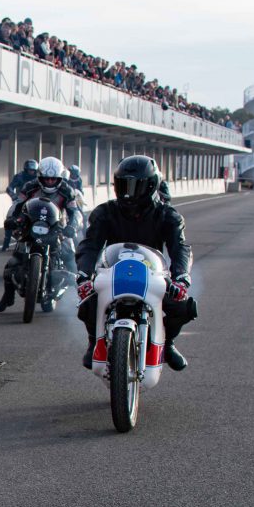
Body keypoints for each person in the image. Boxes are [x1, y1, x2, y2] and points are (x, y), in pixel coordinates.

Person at [74, 155, 195, 371]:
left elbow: (180, 248)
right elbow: (90, 246)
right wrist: (84, 275)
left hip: (153, 274)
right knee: (87, 302)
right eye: (123, 184)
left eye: (133, 185)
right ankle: (94, 341)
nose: (127, 191)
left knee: (183, 306)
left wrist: (181, 277)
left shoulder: (167, 215)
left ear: (150, 185)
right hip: (113, 272)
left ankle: (168, 344)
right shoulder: (105, 212)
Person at [0, 157, 80, 311]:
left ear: (59, 178)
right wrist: (11, 220)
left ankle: (80, 300)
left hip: (57, 228)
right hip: (32, 226)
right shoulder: (29, 186)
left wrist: (72, 226)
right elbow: (17, 205)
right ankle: (7, 297)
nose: (49, 182)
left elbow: (75, 212)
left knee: (71, 257)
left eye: (53, 179)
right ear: (40, 176)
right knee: (12, 263)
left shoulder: (67, 190)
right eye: (46, 178)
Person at [2, 159, 38, 251]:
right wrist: (14, 196)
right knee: (10, 216)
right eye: (30, 170)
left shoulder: (39, 178)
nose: (32, 172)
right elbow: (9, 188)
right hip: (21, 200)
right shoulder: (19, 176)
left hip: (36, 201)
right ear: (26, 169)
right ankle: (6, 242)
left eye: (33, 170)